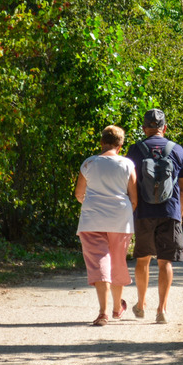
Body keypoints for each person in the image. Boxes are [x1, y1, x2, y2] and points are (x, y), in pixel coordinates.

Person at [126, 108, 183, 324]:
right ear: (165, 128)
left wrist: (133, 208)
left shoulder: (135, 150)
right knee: (165, 262)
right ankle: (162, 309)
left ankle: (141, 304)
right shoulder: (177, 149)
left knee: (143, 259)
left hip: (143, 212)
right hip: (169, 211)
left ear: (144, 128)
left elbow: (130, 184)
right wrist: (178, 216)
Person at [75, 125, 138, 327]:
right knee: (117, 261)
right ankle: (117, 308)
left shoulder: (89, 163)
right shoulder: (127, 164)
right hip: (120, 220)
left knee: (99, 262)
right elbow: (134, 198)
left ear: (101, 142)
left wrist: (91, 204)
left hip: (92, 220)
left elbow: (79, 194)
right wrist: (126, 211)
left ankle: (103, 312)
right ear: (120, 146)